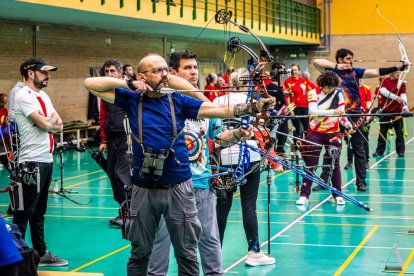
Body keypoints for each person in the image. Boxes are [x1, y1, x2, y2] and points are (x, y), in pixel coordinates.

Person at [84, 53, 275, 275]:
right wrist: (130, 83)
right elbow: (91, 84)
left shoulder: (179, 101)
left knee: (188, 251)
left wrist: (254, 107)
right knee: (142, 251)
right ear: (141, 76)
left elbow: (219, 111)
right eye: (157, 70)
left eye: (166, 70)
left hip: (181, 187)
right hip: (143, 188)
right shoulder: (131, 98)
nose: (164, 74)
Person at [148, 50, 250, 276]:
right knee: (161, 241)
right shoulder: (163, 103)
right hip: (169, 186)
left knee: (209, 238)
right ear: (173, 72)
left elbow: (219, 136)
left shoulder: (204, 106)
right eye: (187, 68)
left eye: (195, 67)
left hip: (202, 184)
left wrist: (238, 134)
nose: (194, 71)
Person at [314, 48, 406, 191]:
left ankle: (361, 182)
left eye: (351, 58)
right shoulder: (331, 72)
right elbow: (316, 62)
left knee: (359, 150)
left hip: (356, 116)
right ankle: (324, 181)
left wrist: (397, 67)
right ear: (340, 59)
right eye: (348, 58)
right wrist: (336, 66)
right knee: (331, 149)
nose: (351, 61)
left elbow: (376, 72)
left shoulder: (355, 72)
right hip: (337, 115)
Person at [213, 68, 277, 267]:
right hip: (250, 157)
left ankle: (214, 253)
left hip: (223, 156)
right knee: (249, 206)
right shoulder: (255, 101)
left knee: (222, 207)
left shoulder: (217, 101)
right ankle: (254, 253)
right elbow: (262, 129)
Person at [13, 58, 68, 266]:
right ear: (30, 73)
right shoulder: (22, 95)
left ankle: (40, 253)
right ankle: (16, 256)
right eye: (44, 72)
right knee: (23, 212)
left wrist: (48, 124)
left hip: (46, 159)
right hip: (30, 163)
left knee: (39, 212)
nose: (48, 75)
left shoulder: (43, 95)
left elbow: (59, 125)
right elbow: (46, 123)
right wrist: (47, 123)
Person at [296, 71, 353, 205]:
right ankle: (304, 195)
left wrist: (348, 124)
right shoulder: (312, 92)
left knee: (334, 165)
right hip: (314, 133)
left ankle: (337, 194)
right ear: (322, 85)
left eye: (332, 87)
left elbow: (341, 114)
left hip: (333, 134)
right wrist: (333, 112)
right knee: (310, 165)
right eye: (328, 87)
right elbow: (313, 111)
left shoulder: (338, 94)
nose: (330, 90)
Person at [99, 59, 132, 226]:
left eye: (112, 71)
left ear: (121, 73)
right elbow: (103, 116)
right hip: (111, 139)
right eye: (106, 71)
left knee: (122, 175)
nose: (109, 74)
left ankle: (130, 214)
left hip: (126, 138)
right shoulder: (104, 92)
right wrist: (103, 139)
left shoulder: (128, 89)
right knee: (112, 174)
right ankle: (123, 210)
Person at [373, 71, 409, 157]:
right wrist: (396, 97)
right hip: (385, 112)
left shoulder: (401, 83)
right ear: (391, 73)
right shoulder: (384, 80)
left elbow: (403, 96)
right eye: (397, 72)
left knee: (399, 133)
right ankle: (379, 151)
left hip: (397, 112)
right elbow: (383, 91)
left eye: (399, 72)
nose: (399, 74)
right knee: (383, 132)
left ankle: (400, 151)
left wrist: (405, 107)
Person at [283, 64, 311, 151]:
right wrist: (291, 110)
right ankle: (296, 148)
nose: (294, 72)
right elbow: (286, 98)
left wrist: (310, 108)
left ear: (299, 71)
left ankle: (307, 146)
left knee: (307, 128)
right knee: (297, 129)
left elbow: (308, 95)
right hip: (295, 108)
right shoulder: (287, 82)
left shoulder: (304, 81)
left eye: (295, 70)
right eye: (292, 70)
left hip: (305, 108)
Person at [344, 79, 371, 170]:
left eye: (362, 79)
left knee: (364, 140)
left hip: (362, 118)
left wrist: (367, 116)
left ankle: (366, 162)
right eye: (358, 79)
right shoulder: (349, 89)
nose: (360, 81)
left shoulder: (367, 89)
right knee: (350, 140)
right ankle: (349, 162)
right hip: (351, 118)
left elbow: (368, 103)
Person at [267, 62, 288, 156]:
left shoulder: (269, 87)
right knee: (276, 132)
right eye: (280, 72)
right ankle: (275, 151)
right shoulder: (276, 88)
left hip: (271, 113)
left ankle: (276, 151)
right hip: (276, 114)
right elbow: (284, 103)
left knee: (273, 132)